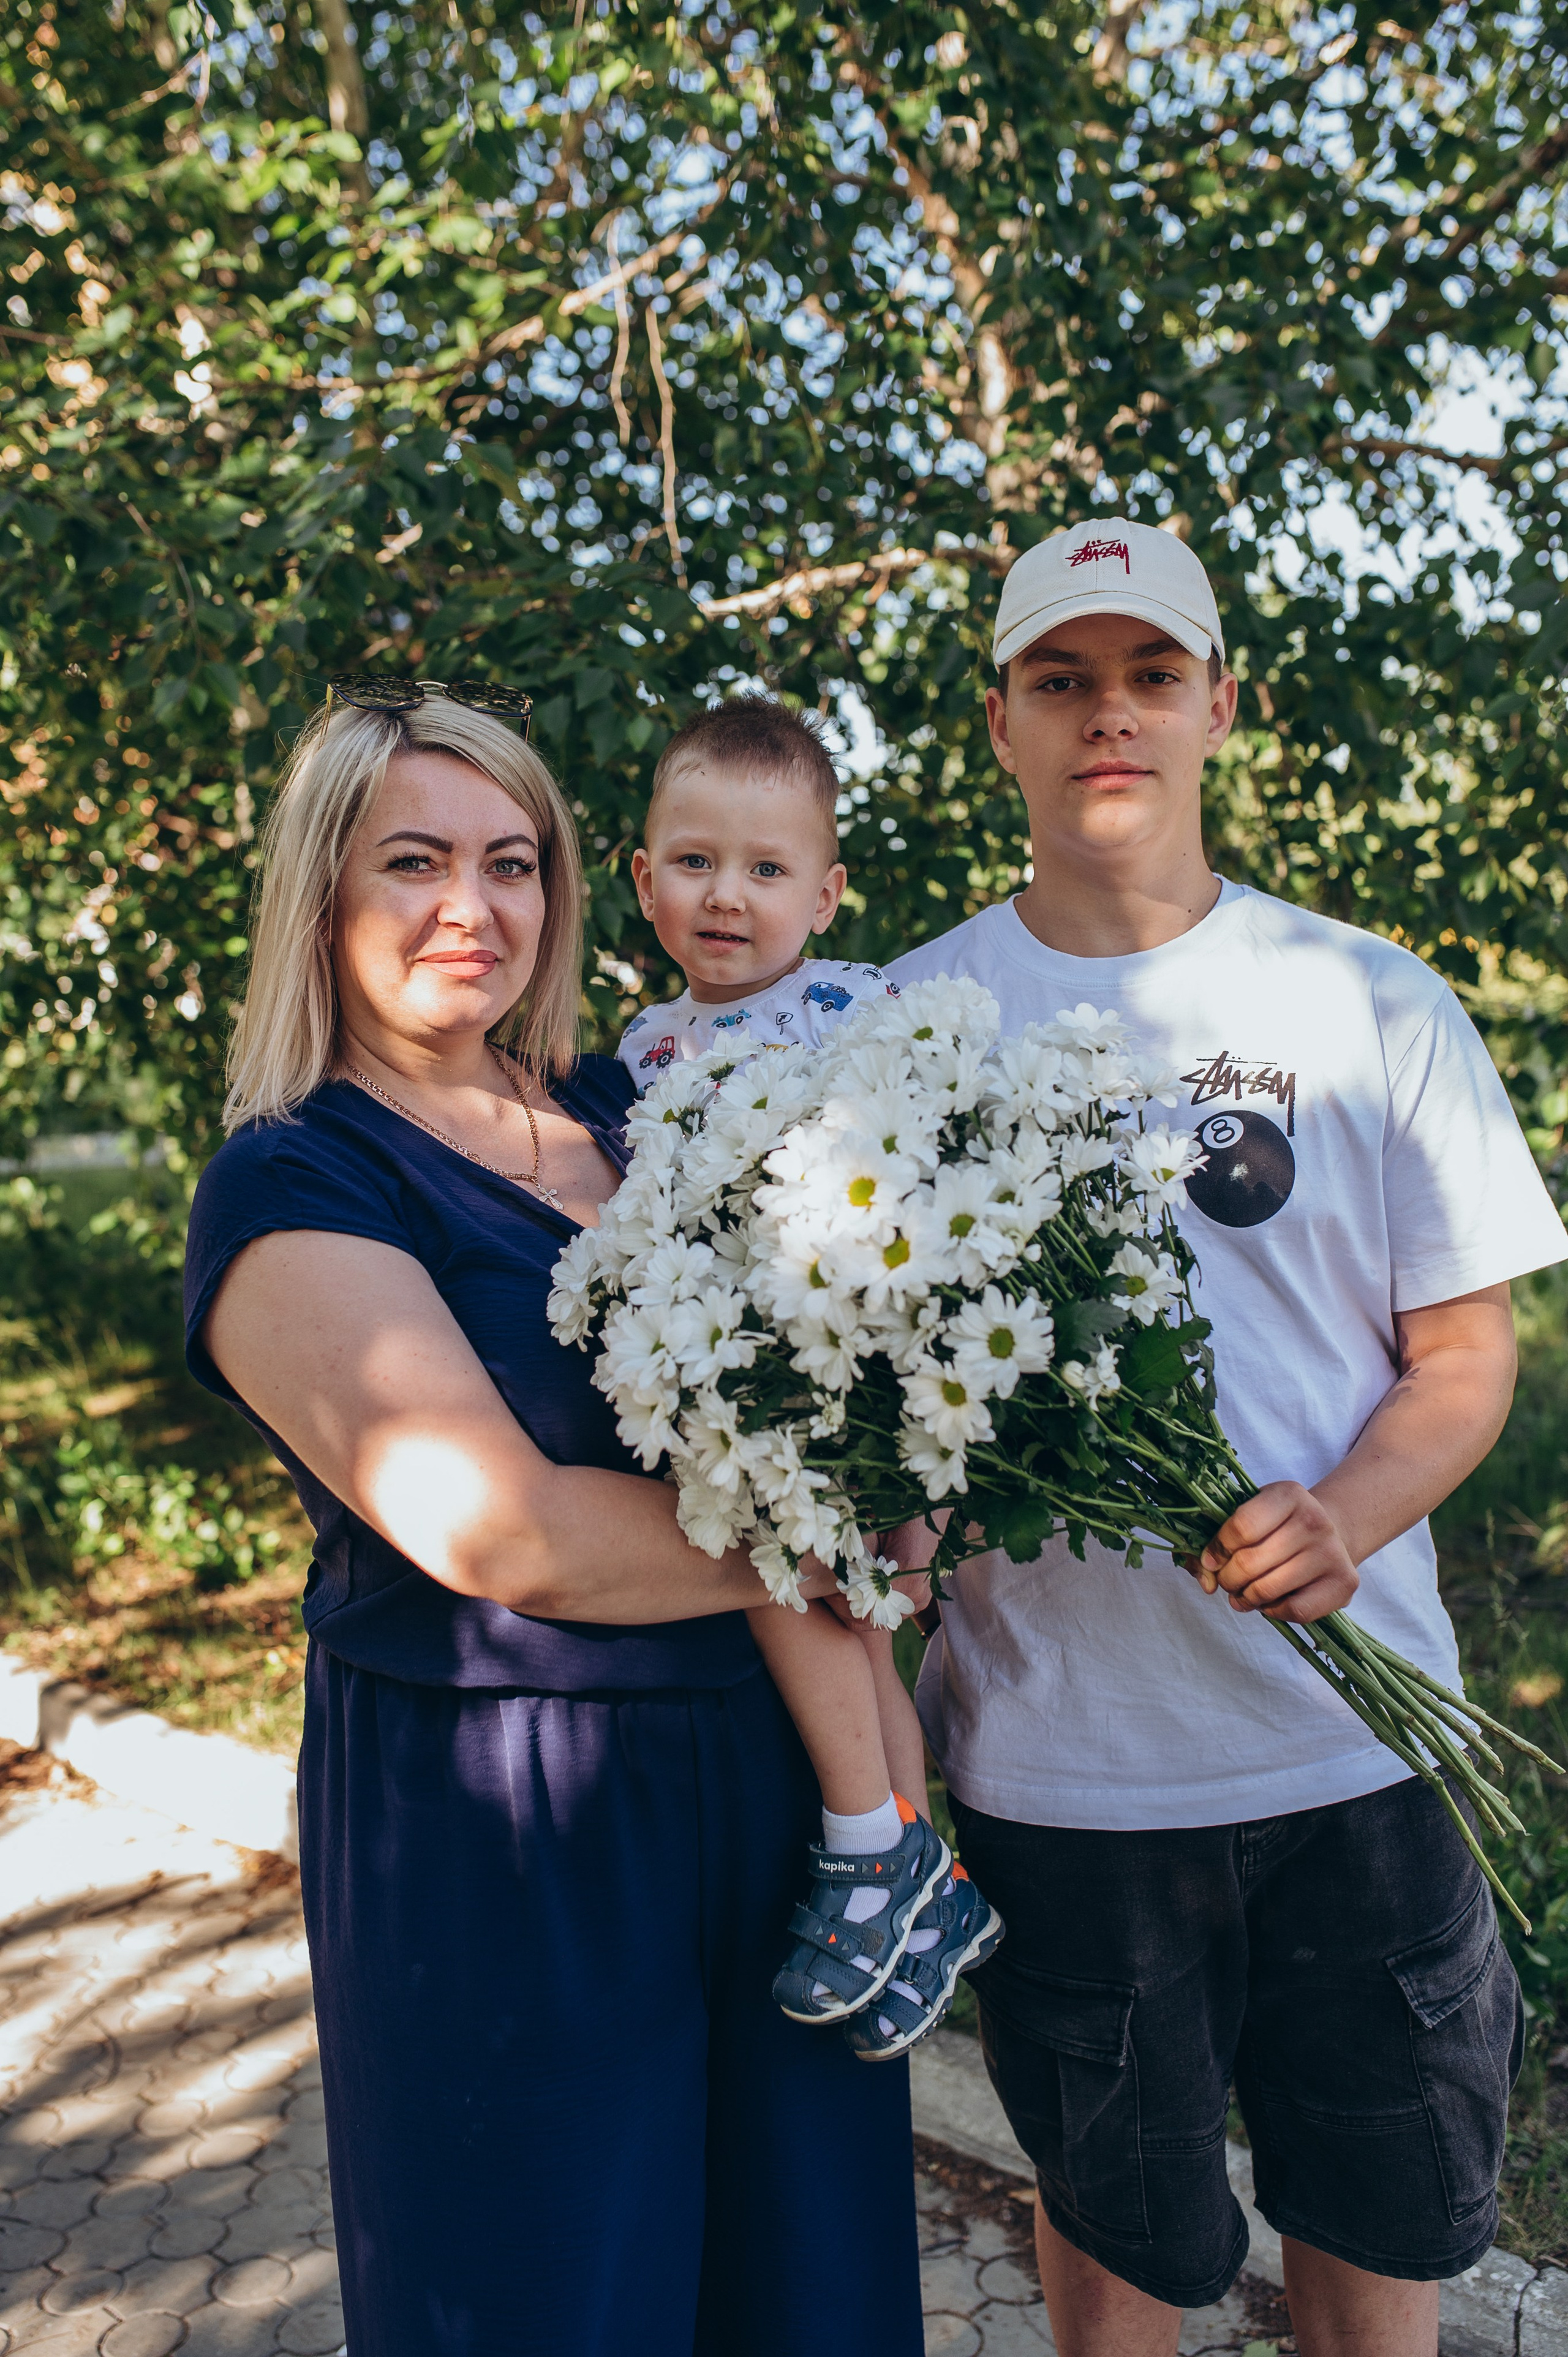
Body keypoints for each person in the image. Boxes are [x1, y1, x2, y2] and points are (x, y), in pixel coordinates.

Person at [888, 520, 1568, 2357]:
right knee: (1123, 2265)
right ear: (1004, 722)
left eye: (1151, 675)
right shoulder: (902, 1032)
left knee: (1379, 2251)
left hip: (1354, 1756)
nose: (1111, 715)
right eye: (1063, 678)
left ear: (1219, 709)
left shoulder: (1367, 1001)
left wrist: (1347, 1515)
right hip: (1067, 1781)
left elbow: (1462, 1354)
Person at [181, 683, 927, 2356]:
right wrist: (825, 1529)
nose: (474, 906)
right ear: (321, 891)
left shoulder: (631, 1106)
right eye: (415, 862)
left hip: (782, 1808)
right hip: (509, 1829)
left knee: (808, 2300)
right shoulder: (296, 1179)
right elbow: (503, 1531)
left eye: (511, 861)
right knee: (549, 2304)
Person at [618, 696, 1003, 2059]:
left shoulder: (848, 1003)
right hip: (752, 1376)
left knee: (803, 1588)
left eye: (768, 869)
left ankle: (863, 1847)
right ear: (643, 874)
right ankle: (923, 1880)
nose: (728, 896)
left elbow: (932, 1158)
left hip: (860, 1361)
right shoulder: (638, 1053)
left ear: (826, 893)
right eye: (696, 860)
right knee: (851, 1636)